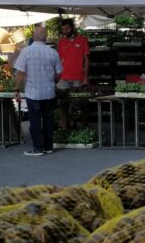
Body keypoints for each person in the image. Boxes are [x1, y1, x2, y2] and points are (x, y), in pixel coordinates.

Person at [13, 26, 63, 156]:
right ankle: (48, 146)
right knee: (48, 121)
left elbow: (20, 72)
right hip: (49, 92)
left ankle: (38, 148)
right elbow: (59, 73)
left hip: (33, 93)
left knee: (35, 122)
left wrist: (16, 88)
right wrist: (53, 82)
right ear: (45, 38)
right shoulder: (53, 52)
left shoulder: (26, 51)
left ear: (33, 36)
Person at [56, 18, 89, 88]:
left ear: (73, 27)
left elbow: (87, 59)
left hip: (78, 77)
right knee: (61, 96)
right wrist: (58, 75)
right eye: (63, 29)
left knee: (78, 98)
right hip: (64, 76)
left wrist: (85, 77)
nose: (65, 31)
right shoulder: (61, 42)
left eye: (67, 28)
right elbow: (59, 60)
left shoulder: (83, 40)